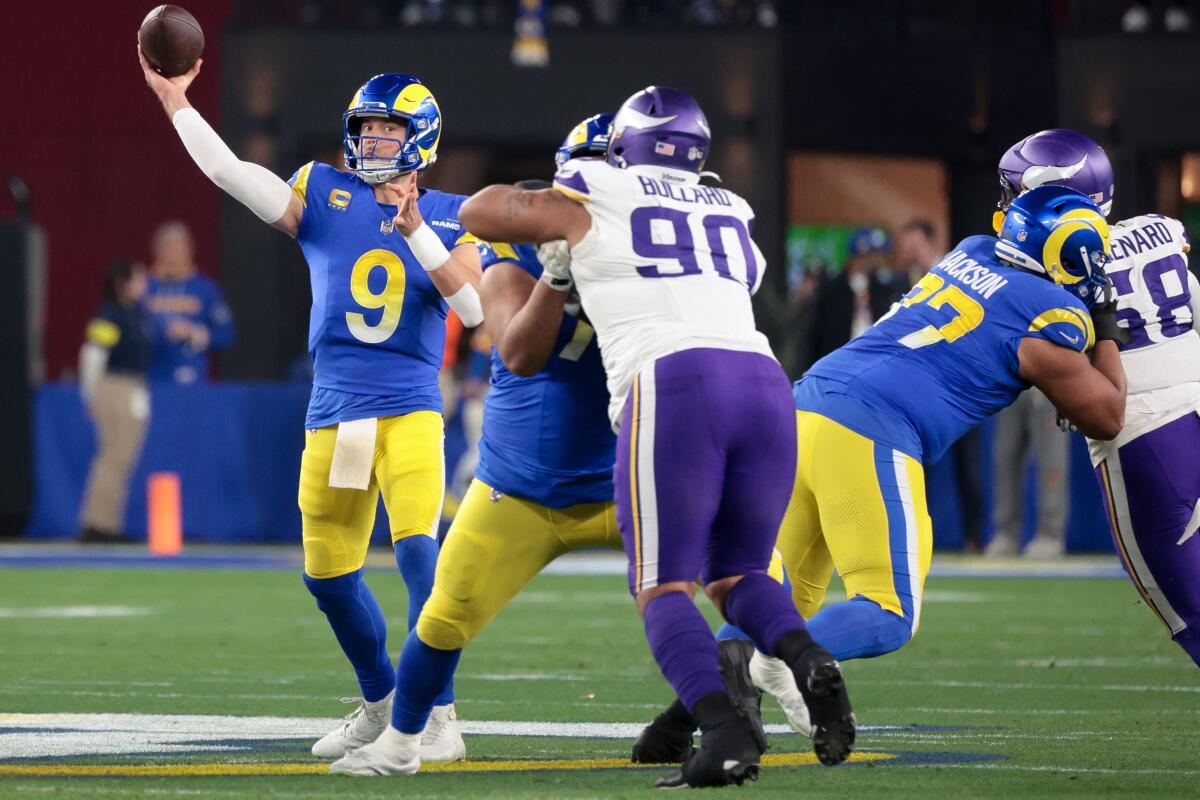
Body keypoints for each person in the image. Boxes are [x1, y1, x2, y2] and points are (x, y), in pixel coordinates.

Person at [459, 87, 856, 788]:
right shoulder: (731, 207)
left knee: (662, 583)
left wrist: (552, 217)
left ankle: (725, 732)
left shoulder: (599, 184)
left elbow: (481, 211)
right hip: (765, 382)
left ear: (625, 145)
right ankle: (807, 656)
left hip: (675, 380)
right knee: (739, 575)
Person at [138, 55, 484, 759]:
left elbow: (472, 306)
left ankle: (438, 717)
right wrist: (176, 101)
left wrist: (414, 225)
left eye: (389, 133)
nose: (373, 144)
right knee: (327, 576)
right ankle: (382, 699)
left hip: (411, 409)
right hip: (340, 415)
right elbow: (231, 173)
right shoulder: (325, 193)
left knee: (421, 556)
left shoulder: (451, 213)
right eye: (367, 130)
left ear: (420, 138)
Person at [748, 185, 1128, 732]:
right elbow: (1107, 414)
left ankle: (699, 713)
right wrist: (1105, 315)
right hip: (870, 425)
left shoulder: (971, 251)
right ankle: (782, 656)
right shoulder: (1052, 318)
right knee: (889, 611)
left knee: (786, 593)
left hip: (804, 405)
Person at [328, 112, 629, 776]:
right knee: (434, 608)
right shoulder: (519, 238)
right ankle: (402, 728)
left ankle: (724, 709)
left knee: (727, 585)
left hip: (627, 468)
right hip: (522, 476)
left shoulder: (664, 254)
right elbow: (505, 331)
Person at [1004, 129, 1200, 665]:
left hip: (1144, 430)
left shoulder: (1042, 263)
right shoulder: (1158, 232)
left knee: (1193, 613)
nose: (1007, 206)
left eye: (1014, 191)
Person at [896, 219, 986, 552]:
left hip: (961, 387)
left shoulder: (957, 274)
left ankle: (974, 539)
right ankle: (917, 539)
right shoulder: (902, 282)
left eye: (915, 244)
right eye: (906, 246)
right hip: (920, 391)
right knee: (919, 468)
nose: (909, 252)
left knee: (969, 467)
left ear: (932, 243)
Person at [78, 258, 153, 543]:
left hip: (133, 386)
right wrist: (90, 393)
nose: (144, 284)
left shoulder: (135, 313)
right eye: (139, 278)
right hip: (115, 386)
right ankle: (97, 524)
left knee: (122, 459)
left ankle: (107, 524)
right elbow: (94, 353)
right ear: (124, 283)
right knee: (114, 457)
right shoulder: (111, 315)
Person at [143, 221, 235, 383]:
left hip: (190, 378)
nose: (172, 255)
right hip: (149, 376)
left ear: (189, 250)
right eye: (166, 248)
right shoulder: (144, 288)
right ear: (156, 251)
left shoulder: (205, 289)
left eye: (177, 248)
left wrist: (193, 333)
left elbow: (226, 334)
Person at [804, 226, 904, 367]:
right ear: (862, 255)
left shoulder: (884, 291)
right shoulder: (831, 291)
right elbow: (815, 337)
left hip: (873, 365)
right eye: (876, 254)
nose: (881, 259)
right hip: (836, 365)